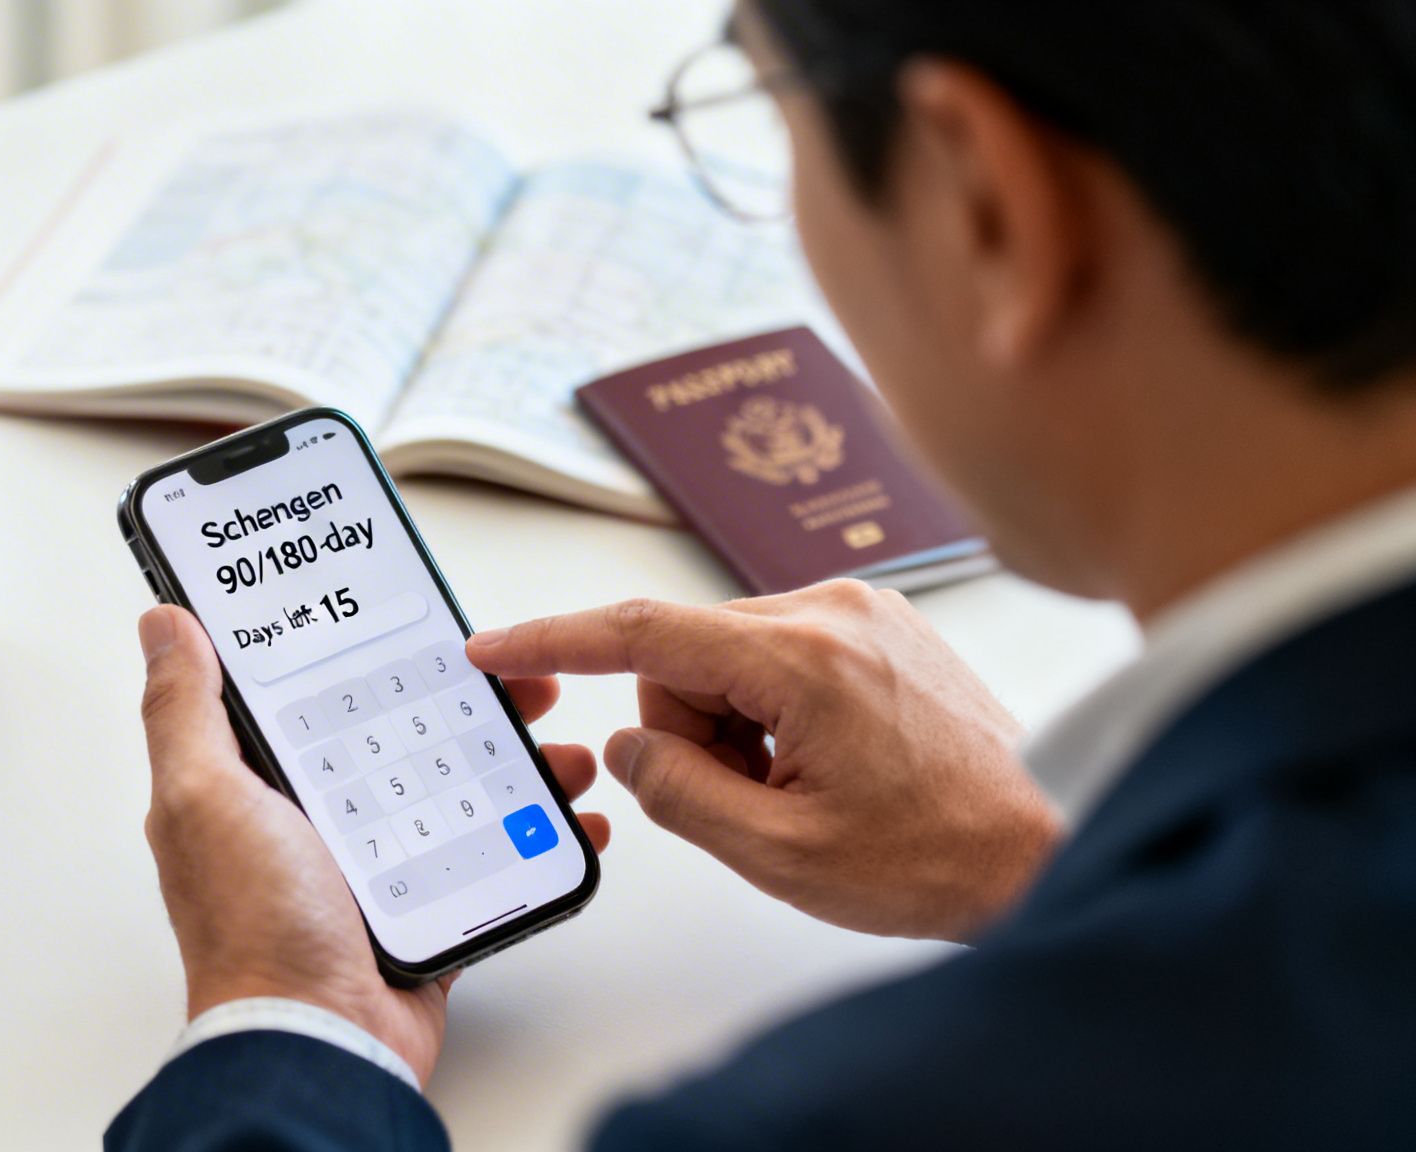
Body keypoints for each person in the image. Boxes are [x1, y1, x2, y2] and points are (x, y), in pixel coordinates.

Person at [110, 0, 1416, 1146]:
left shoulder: (842, 1121)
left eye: (766, 113)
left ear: (989, 201)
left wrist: (294, 1022)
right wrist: (1047, 866)